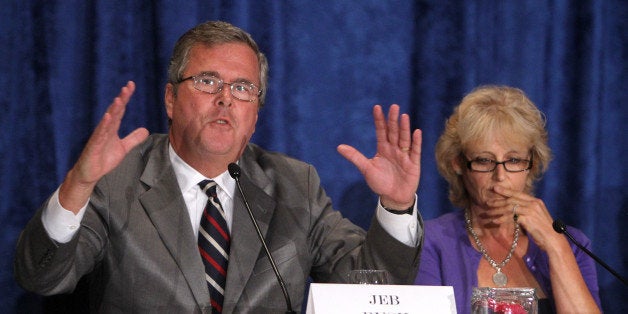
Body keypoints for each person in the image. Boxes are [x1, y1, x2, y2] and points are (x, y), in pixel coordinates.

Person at [14, 21, 424, 313]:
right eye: (208, 81)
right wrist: (78, 185)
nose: (226, 99)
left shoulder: (295, 185)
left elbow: (373, 288)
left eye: (243, 88)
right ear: (171, 100)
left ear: (256, 113)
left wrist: (396, 206)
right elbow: (44, 278)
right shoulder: (115, 180)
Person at [413, 85, 601, 313]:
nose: (500, 176)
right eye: (484, 160)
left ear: (531, 164)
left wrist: (555, 245)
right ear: (458, 163)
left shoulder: (572, 245)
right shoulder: (431, 242)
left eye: (513, 160)